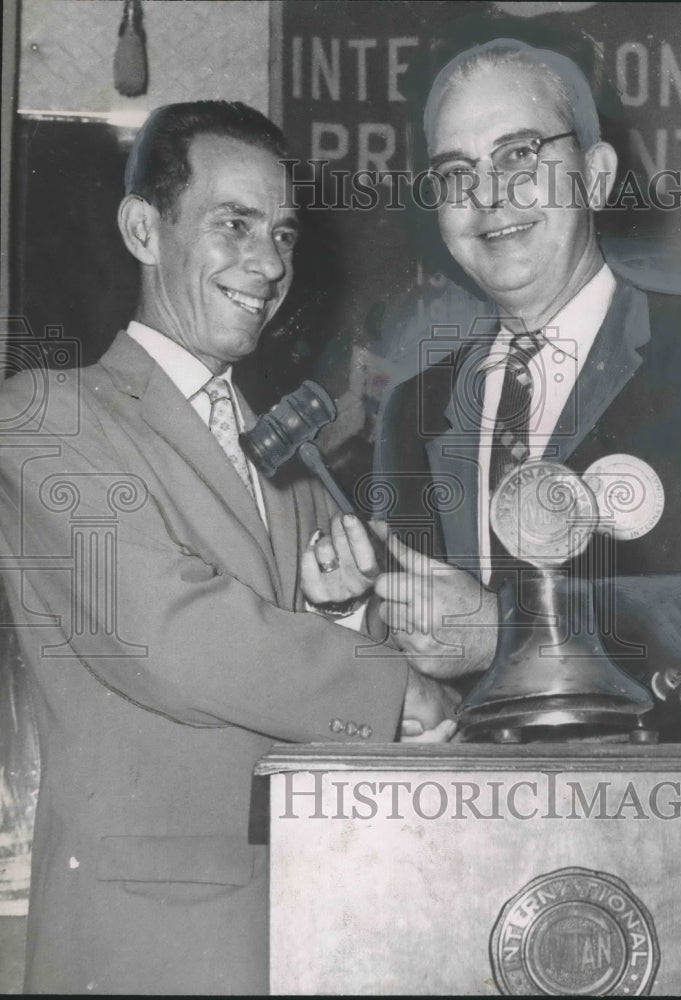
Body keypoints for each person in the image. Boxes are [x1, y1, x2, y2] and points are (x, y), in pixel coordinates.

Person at [0, 101, 457, 994]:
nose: (271, 263)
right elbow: (169, 637)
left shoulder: (274, 448)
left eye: (283, 233)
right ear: (143, 228)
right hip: (147, 938)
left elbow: (276, 662)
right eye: (234, 225)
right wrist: (391, 685)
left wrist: (337, 609)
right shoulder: (45, 413)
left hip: (306, 911)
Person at [374, 40, 681, 738]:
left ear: (596, 177)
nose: (487, 195)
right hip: (470, 824)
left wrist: (507, 629)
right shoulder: (414, 411)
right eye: (456, 172)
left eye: (518, 156)